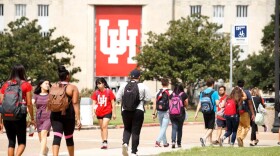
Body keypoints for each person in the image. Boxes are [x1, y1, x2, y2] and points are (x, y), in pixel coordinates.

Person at [0, 64, 35, 156]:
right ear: (22, 72)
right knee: (22, 142)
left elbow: (1, 104)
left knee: (11, 142)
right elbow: (29, 104)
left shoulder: (5, 85)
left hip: (6, 116)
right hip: (19, 115)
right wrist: (32, 118)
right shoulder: (26, 85)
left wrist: (0, 121)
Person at [116, 69, 151, 156]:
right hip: (138, 110)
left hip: (125, 110)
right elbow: (148, 99)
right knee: (135, 131)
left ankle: (125, 143)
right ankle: (134, 152)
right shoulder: (143, 86)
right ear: (139, 77)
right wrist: (142, 103)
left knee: (127, 128)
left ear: (130, 76)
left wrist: (125, 103)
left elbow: (118, 98)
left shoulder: (124, 85)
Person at [50, 65, 81, 156]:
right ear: (67, 76)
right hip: (68, 115)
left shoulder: (54, 86)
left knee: (57, 136)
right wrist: (78, 119)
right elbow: (75, 103)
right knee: (69, 137)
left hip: (55, 115)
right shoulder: (72, 88)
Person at [91, 77, 116, 149]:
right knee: (102, 128)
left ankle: (105, 141)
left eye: (100, 83)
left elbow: (113, 103)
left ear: (104, 84)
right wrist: (93, 112)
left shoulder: (109, 92)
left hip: (107, 111)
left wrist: (114, 113)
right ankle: (103, 142)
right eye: (97, 84)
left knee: (104, 126)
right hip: (99, 112)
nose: (98, 85)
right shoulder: (96, 93)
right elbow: (94, 103)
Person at [194, 78, 219, 147]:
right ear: (213, 84)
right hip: (211, 111)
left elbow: (200, 103)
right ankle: (204, 137)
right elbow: (217, 103)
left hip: (204, 111)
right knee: (211, 128)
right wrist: (219, 103)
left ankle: (210, 142)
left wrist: (196, 113)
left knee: (208, 127)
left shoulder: (202, 92)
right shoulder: (215, 92)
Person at [33, 79, 52, 155]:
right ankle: (46, 149)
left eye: (48, 83)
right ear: (40, 85)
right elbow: (32, 102)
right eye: (46, 83)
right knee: (41, 137)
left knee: (44, 134)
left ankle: (41, 154)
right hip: (39, 117)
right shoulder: (36, 95)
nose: (47, 85)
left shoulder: (50, 95)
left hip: (48, 117)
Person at [152, 78, 172, 147]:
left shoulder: (158, 92)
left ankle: (165, 143)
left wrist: (153, 113)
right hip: (167, 111)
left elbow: (154, 103)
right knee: (164, 128)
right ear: (168, 84)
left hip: (159, 111)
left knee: (162, 127)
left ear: (161, 84)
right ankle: (158, 141)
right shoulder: (170, 92)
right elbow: (171, 103)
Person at [236, 80, 255, 147]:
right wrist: (253, 113)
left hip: (237, 112)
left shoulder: (234, 92)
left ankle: (238, 137)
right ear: (244, 84)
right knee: (247, 126)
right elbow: (250, 103)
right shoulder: (246, 92)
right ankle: (240, 137)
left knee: (240, 126)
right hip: (245, 111)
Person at [169, 83, 188, 148]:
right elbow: (186, 104)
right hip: (181, 113)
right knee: (180, 128)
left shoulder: (172, 94)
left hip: (172, 114)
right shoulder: (184, 94)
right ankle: (179, 143)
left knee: (174, 127)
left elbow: (170, 103)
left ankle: (173, 141)